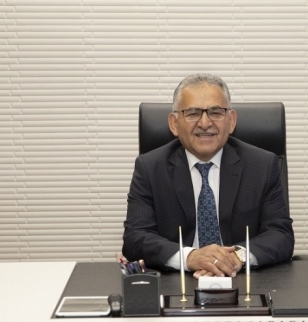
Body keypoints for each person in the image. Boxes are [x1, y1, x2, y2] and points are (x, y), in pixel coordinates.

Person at [122, 73, 294, 279]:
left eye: (215, 112)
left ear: (231, 121)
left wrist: (236, 257)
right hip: (178, 281)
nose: (205, 123)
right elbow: (135, 238)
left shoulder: (262, 165)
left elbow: (280, 235)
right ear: (174, 123)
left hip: (242, 280)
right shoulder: (150, 168)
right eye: (193, 113)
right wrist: (190, 257)